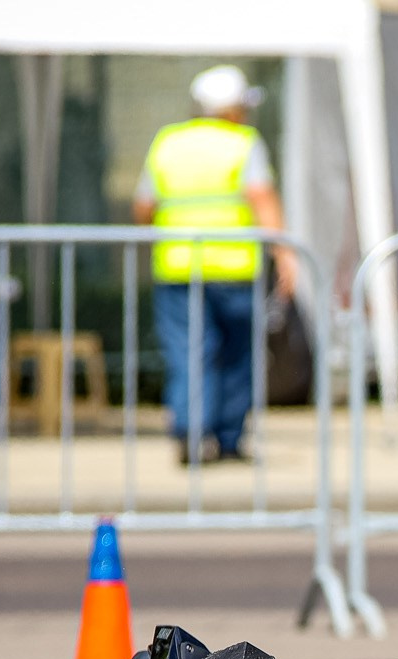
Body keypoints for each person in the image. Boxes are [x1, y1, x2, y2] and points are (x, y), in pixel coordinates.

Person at [134, 64, 295, 463]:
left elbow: (143, 207)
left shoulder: (168, 141)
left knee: (189, 353)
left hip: (178, 268)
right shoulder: (243, 142)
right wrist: (285, 255)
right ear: (233, 108)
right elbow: (262, 198)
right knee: (238, 356)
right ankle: (227, 437)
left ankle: (190, 435)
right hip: (235, 269)